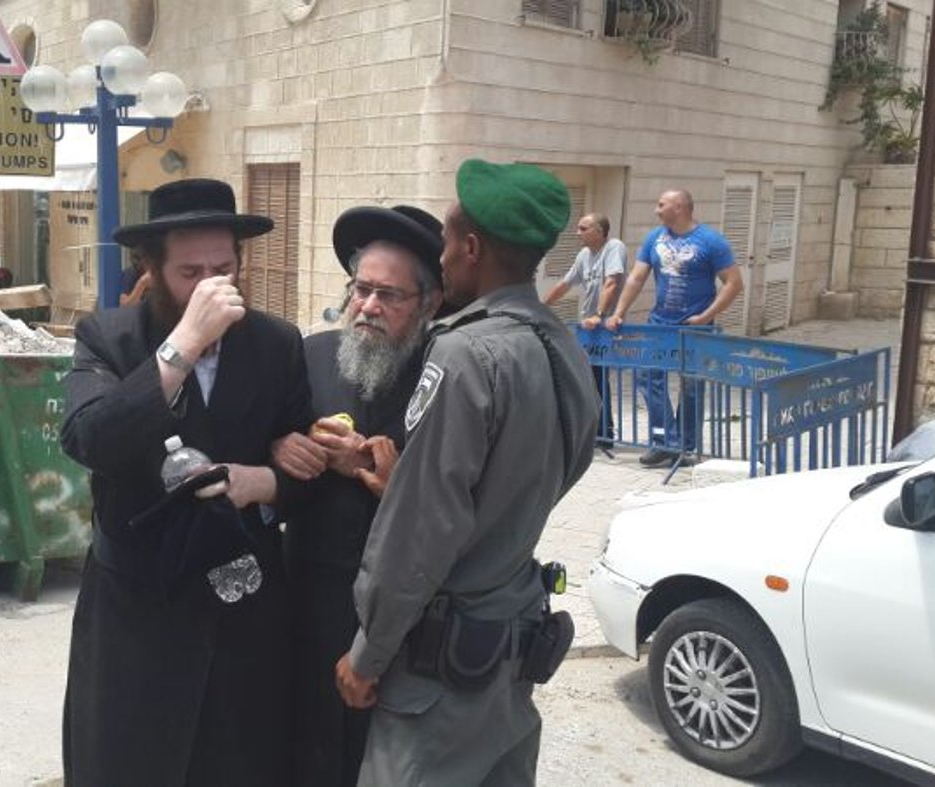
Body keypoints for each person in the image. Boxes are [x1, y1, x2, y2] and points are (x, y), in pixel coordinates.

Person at [334, 160, 599, 786]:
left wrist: (368, 654)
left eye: (448, 242)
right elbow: (571, 464)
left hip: (440, 679)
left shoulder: (462, 353)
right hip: (510, 651)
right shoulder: (560, 345)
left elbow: (422, 527)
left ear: (472, 248)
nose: (443, 257)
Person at [59, 178, 313, 787]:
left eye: (222, 270)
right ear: (152, 270)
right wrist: (184, 345)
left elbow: (305, 469)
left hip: (241, 603)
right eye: (190, 273)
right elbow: (91, 439)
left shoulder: (276, 345)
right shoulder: (109, 338)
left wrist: (266, 481)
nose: (209, 287)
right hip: (138, 605)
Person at [272, 205, 445, 787]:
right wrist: (283, 448)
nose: (368, 306)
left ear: (428, 304)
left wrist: (384, 475)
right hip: (308, 598)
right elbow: (270, 443)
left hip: (399, 617)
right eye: (361, 289)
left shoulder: (446, 374)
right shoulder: (313, 354)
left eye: (388, 295)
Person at [605, 189, 743, 467]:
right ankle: (665, 441)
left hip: (695, 326)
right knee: (647, 377)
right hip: (659, 324)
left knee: (691, 385)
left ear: (679, 207)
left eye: (661, 205)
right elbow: (636, 278)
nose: (656, 210)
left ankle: (686, 446)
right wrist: (618, 312)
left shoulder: (711, 241)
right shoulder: (654, 238)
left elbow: (734, 283)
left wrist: (706, 316)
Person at [543, 213, 628, 449]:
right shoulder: (583, 255)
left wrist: (599, 314)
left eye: (583, 228)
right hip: (587, 328)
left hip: (604, 327)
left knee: (598, 378)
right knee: (585, 378)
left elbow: (612, 283)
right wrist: (541, 305)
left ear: (599, 231)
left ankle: (604, 433)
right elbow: (565, 283)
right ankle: (593, 430)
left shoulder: (614, 247)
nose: (577, 232)